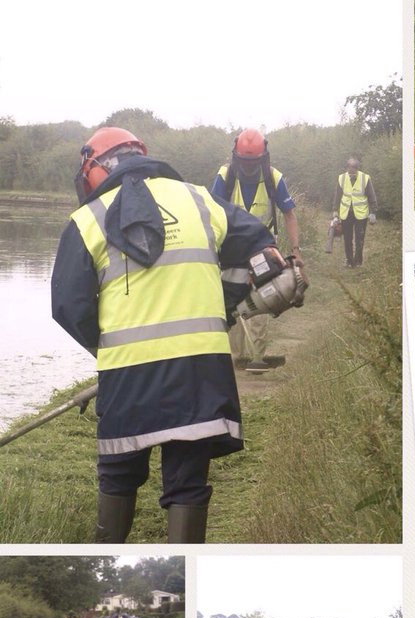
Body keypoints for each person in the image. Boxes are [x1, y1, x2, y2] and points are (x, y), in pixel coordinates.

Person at [51, 127, 277, 544]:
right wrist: (223, 304)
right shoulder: (200, 201)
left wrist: (107, 348)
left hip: (127, 379)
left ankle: (107, 556)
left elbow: (68, 306)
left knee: (118, 476)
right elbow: (264, 253)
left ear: (95, 170)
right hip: (202, 371)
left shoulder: (87, 221)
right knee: (189, 482)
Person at [211, 129, 303, 370]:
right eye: (244, 162)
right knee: (229, 302)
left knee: (262, 300)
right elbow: (209, 212)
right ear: (236, 158)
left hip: (262, 250)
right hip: (229, 251)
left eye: (253, 162)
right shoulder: (225, 176)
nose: (249, 167)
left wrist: (296, 250)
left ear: (263, 158)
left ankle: (257, 357)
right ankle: (234, 357)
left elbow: (289, 214)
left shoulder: (273, 177)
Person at [330, 158, 378, 268]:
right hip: (346, 213)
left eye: (353, 169)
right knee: (347, 238)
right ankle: (349, 260)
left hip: (361, 214)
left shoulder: (365, 178)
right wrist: (335, 210)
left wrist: (373, 212)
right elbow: (337, 195)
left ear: (357, 168)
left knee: (359, 238)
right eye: (349, 169)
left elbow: (371, 195)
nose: (351, 171)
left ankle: (358, 262)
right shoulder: (342, 178)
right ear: (346, 168)